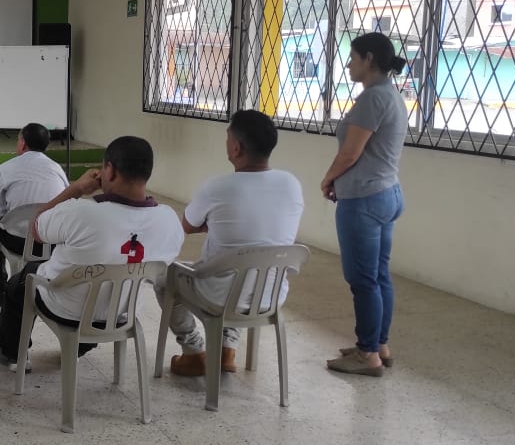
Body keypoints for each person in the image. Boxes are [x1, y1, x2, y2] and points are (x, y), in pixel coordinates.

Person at [0, 136, 185, 369]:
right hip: (122, 313)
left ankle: (12, 354)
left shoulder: (82, 212)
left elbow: (36, 227)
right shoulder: (169, 220)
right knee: (102, 286)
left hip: (65, 308)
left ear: (110, 170)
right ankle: (78, 348)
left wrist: (75, 188)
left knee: (19, 283)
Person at [164, 110, 304, 377]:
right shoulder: (291, 184)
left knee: (165, 277)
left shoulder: (217, 187)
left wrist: (213, 222)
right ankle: (227, 347)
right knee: (246, 264)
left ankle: (194, 351)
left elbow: (187, 226)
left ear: (236, 148)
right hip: (270, 295)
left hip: (219, 296)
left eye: (227, 137)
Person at [321, 32, 408, 377]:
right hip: (387, 193)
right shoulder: (390, 94)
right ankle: (378, 345)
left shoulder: (373, 98)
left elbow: (350, 153)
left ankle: (367, 354)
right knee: (378, 274)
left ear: (369, 59)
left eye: (353, 57)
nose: (348, 64)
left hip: (365, 200)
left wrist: (328, 179)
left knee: (363, 280)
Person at [0, 123, 69, 306]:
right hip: (51, 243)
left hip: (17, 242)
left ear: (23, 143)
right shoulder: (57, 169)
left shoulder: (6, 168)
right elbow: (66, 206)